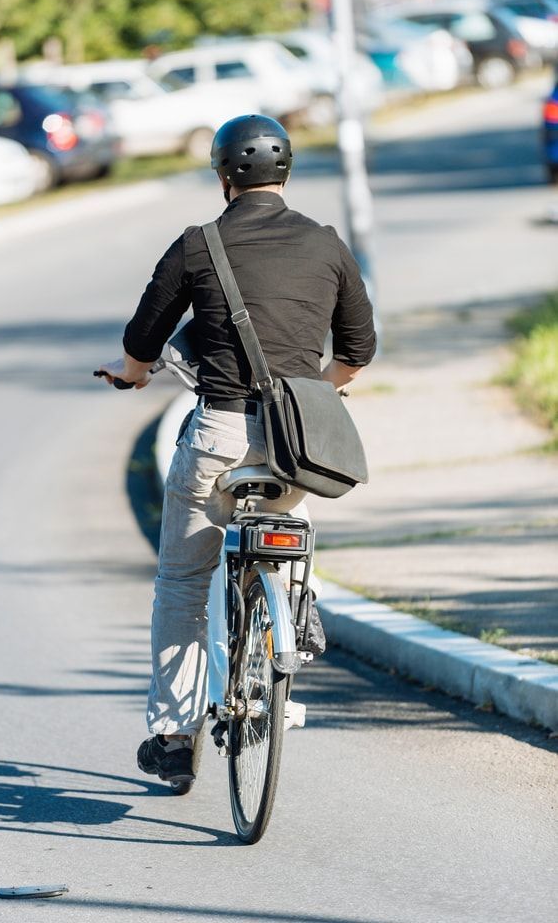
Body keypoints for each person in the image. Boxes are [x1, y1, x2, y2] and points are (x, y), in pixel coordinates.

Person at [97, 114, 376, 786]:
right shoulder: (326, 244)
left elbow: (144, 338)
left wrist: (134, 375)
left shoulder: (197, 246)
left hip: (219, 433)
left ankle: (172, 733)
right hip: (293, 442)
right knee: (288, 517)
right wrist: (322, 391)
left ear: (223, 175)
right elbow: (357, 350)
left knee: (184, 581)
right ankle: (293, 611)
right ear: (284, 174)